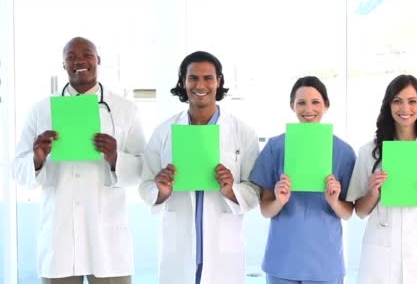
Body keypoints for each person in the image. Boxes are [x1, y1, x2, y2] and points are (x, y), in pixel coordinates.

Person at [11, 37, 146, 284]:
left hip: (106, 239)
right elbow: (17, 169)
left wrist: (116, 158)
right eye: (71, 56)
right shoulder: (41, 110)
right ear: (63, 64)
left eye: (87, 54)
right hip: (59, 235)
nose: (79, 61)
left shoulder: (125, 109)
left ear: (98, 60)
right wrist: (37, 159)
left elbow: (142, 169)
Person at [138, 51, 260, 284]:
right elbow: (145, 184)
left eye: (208, 78)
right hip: (180, 246)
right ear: (183, 81)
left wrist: (231, 190)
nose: (200, 85)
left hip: (223, 248)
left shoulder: (242, 131)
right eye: (193, 78)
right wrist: (161, 190)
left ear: (219, 81)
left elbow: (255, 188)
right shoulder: (164, 131)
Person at [346, 74, 417, 284]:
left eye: (412, 101)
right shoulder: (369, 152)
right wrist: (373, 192)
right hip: (381, 254)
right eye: (397, 101)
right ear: (388, 105)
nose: (405, 109)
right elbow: (359, 211)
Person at [249, 76, 356, 284]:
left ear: (326, 105)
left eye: (316, 102)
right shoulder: (275, 147)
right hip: (283, 259)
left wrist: (334, 201)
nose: (309, 109)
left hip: (325, 261)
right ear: (292, 106)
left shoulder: (343, 152)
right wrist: (279, 200)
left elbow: (348, 211)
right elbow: (265, 210)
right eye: (301, 103)